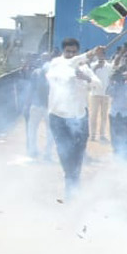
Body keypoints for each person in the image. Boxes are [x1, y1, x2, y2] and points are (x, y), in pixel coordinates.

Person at [45, 38, 104, 199]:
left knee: (77, 154)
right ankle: (70, 184)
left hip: (79, 118)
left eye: (73, 52)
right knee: (64, 153)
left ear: (77, 52)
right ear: (63, 52)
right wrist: (91, 53)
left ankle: (73, 185)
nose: (70, 54)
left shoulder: (84, 68)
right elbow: (64, 70)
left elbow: (99, 85)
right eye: (67, 51)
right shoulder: (56, 63)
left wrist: (86, 78)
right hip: (58, 117)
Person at [24, 54, 53, 160]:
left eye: (46, 59)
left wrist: (27, 104)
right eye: (44, 59)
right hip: (40, 106)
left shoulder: (39, 73)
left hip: (47, 106)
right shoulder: (37, 73)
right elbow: (30, 89)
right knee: (35, 129)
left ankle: (45, 153)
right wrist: (27, 104)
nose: (44, 61)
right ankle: (37, 151)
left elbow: (30, 90)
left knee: (47, 131)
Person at [88, 54, 112, 142]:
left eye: (102, 57)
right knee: (93, 115)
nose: (101, 59)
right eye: (99, 57)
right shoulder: (93, 65)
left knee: (104, 115)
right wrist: (96, 68)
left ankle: (102, 135)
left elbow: (111, 77)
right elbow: (89, 76)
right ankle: (93, 135)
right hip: (95, 93)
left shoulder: (109, 66)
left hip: (105, 94)